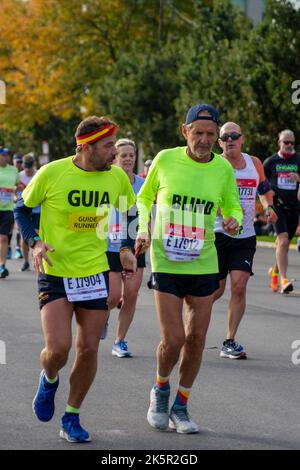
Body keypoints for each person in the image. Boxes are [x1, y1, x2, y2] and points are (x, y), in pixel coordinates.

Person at [121, 104, 243, 434]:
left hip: (203, 259)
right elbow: (143, 199)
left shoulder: (222, 169)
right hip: (166, 258)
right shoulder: (164, 160)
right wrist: (143, 228)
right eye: (198, 133)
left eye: (210, 134)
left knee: (198, 338)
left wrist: (234, 219)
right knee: (173, 339)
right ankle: (161, 389)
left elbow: (232, 205)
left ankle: (181, 404)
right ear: (184, 131)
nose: (204, 140)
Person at [14, 116, 136, 443]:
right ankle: (49, 377)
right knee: (58, 349)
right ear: (86, 147)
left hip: (94, 272)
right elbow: (20, 210)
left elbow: (125, 215)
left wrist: (124, 247)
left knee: (88, 349)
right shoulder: (52, 173)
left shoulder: (116, 180)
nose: (115, 153)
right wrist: (36, 241)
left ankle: (71, 416)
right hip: (55, 272)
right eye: (108, 146)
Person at [213, 122, 277, 359]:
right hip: (218, 234)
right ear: (220, 142)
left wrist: (268, 207)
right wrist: (224, 214)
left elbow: (264, 188)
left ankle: (229, 340)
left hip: (245, 235)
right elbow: (209, 197)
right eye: (225, 136)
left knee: (239, 287)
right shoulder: (214, 165)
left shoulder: (254, 163)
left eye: (234, 135)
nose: (230, 139)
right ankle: (191, 328)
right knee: (215, 291)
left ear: (242, 138)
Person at [107, 138, 145, 358]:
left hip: (135, 247)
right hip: (111, 245)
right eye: (124, 155)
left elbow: (148, 212)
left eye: (131, 155)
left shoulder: (142, 184)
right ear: (115, 158)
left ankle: (119, 341)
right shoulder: (106, 181)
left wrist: (146, 235)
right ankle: (101, 320)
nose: (129, 158)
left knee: (130, 295)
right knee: (112, 298)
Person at [264, 130, 300, 293]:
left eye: (292, 142)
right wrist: (267, 201)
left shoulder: (298, 160)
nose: (289, 145)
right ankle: (284, 280)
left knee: (283, 245)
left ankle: (274, 272)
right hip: (278, 206)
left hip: (294, 207)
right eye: (286, 142)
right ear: (279, 143)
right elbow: (260, 182)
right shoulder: (271, 162)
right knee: (283, 241)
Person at [18, 154, 41, 271]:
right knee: (24, 237)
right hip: (24, 210)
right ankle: (26, 261)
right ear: (23, 165)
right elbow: (14, 189)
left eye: (29, 167)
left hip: (37, 210)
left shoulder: (39, 175)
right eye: (25, 167)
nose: (27, 170)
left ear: (33, 165)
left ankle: (35, 258)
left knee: (35, 235)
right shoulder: (19, 176)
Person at [0, 147, 20, 278]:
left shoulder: (14, 170)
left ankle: (2, 266)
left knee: (3, 237)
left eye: (6, 155)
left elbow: (18, 186)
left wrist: (15, 193)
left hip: (7, 208)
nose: (4, 157)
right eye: (2, 155)